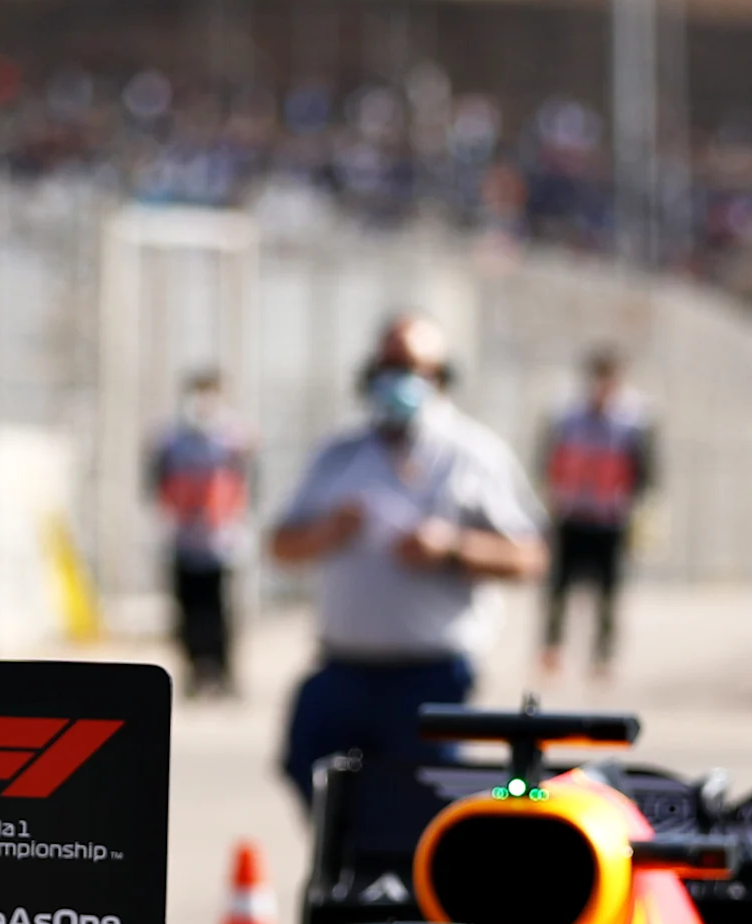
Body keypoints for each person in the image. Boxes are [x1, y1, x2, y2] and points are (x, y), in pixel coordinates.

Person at [270, 315, 547, 817]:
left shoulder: (472, 453)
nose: (398, 379)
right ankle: (349, 871)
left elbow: (530, 556)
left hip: (430, 675)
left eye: (413, 367)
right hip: (344, 666)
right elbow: (280, 545)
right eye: (388, 366)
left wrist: (451, 548)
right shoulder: (340, 452)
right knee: (306, 764)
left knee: (421, 805)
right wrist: (328, 532)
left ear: (440, 376)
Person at [538, 348, 652, 680]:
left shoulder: (633, 420)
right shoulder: (567, 416)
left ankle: (602, 656)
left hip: (609, 516)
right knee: (559, 586)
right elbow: (550, 458)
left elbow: (643, 469)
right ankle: (552, 647)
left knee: (609, 591)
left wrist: (637, 508)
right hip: (572, 510)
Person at [147, 369, 254, 697]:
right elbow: (157, 484)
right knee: (187, 611)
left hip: (222, 541)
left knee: (222, 612)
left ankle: (223, 673)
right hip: (183, 539)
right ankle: (194, 670)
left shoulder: (234, 438)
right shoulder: (171, 439)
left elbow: (248, 484)